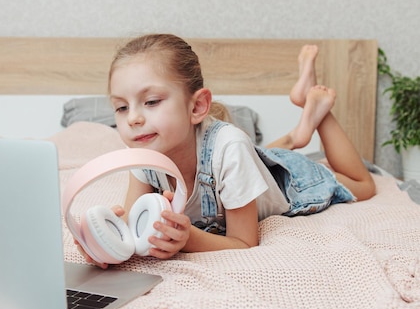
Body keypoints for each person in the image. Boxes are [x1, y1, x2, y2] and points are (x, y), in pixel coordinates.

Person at [77, 34, 376, 264]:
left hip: (289, 182)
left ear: (196, 106)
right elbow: (134, 227)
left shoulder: (230, 146)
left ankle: (319, 113)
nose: (133, 119)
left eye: (151, 101)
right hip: (253, 162)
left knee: (363, 186)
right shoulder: (144, 153)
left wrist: (188, 239)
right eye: (120, 107)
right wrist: (106, 242)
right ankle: (298, 133)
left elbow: (245, 243)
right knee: (250, 154)